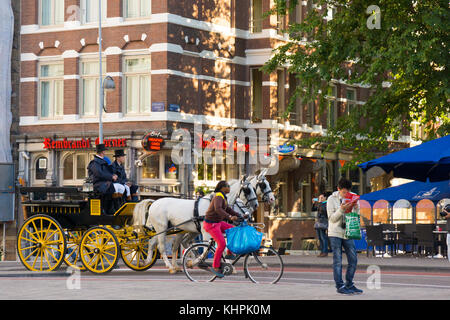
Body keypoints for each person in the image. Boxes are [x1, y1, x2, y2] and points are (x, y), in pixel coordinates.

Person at [327, 177, 363, 295]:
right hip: (335, 233)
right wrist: (341, 209)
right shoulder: (331, 199)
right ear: (338, 189)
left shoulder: (353, 197)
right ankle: (340, 285)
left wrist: (356, 208)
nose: (346, 194)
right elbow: (332, 219)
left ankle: (349, 284)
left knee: (353, 259)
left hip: (348, 232)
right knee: (337, 260)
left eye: (348, 191)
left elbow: (356, 216)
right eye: (344, 192)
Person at [203, 180, 241, 278]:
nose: (229, 188)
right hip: (211, 224)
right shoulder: (219, 196)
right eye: (228, 186)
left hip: (218, 223)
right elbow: (218, 209)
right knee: (221, 244)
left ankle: (229, 253)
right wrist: (229, 217)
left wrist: (238, 215)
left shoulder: (223, 197)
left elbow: (228, 209)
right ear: (223, 187)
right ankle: (215, 267)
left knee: (233, 230)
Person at [313, 192, 331, 257]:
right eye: (319, 198)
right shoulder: (320, 204)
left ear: (325, 198)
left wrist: (320, 203)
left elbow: (324, 211)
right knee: (320, 238)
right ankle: (322, 251)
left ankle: (325, 251)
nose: (320, 199)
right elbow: (313, 209)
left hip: (323, 222)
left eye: (322, 197)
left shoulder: (326, 204)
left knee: (323, 237)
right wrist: (314, 203)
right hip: (318, 223)